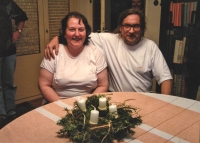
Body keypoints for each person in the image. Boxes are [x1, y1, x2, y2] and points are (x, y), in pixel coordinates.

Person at [45, 8, 172, 95]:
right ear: (120, 28)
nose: (131, 31)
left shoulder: (150, 47)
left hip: (144, 98)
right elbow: (78, 36)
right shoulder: (108, 40)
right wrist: (57, 38)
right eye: (127, 26)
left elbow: (165, 78)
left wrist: (165, 103)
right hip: (115, 99)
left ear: (142, 28)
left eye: (136, 26)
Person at [38, 12, 108, 103]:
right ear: (64, 33)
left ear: (86, 32)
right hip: (57, 102)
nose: (77, 34)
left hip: (88, 103)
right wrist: (62, 106)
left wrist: (86, 105)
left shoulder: (95, 52)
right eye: (72, 29)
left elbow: (103, 85)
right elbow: (44, 85)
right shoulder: (54, 52)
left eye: (81, 29)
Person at [0, 0, 28, 126]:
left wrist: (18, 31)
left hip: (9, 51)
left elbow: (22, 17)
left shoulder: (7, 3)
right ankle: (2, 114)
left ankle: (11, 112)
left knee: (9, 83)